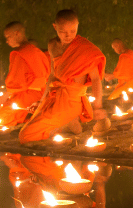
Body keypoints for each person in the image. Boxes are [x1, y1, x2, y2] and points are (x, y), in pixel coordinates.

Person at [18, 10, 106, 143]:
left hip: (71, 101)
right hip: (55, 96)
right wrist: (42, 102)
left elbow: (95, 79)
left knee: (25, 136)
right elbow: (53, 75)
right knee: (29, 128)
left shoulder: (84, 48)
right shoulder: (52, 45)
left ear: (77, 26)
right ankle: (68, 123)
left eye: (73, 30)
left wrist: (97, 107)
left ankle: (67, 121)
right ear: (55, 27)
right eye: (63, 31)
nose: (68, 35)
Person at [0, 22, 50, 126]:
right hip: (42, 95)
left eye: (8, 37)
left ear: (17, 33)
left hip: (26, 95)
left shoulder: (20, 53)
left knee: (0, 120)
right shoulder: (36, 51)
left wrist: (6, 95)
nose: (7, 41)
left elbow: (16, 81)